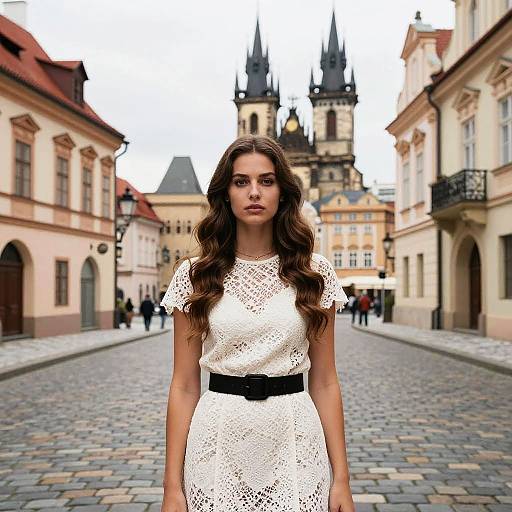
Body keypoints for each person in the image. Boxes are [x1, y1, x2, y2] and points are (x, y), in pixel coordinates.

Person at [159, 135, 354, 512]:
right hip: (217, 438)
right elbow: (183, 385)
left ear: (282, 191)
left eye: (266, 181)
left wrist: (341, 478)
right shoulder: (194, 276)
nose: (254, 192)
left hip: (295, 436)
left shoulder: (314, 273)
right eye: (241, 181)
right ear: (225, 193)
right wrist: (172, 486)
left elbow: (326, 380)